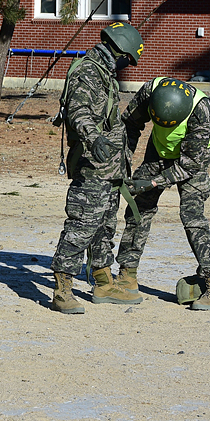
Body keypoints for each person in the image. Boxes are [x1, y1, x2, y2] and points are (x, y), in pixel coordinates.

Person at [50, 21, 145, 313]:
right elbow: (79, 112)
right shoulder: (89, 72)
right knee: (82, 226)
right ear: (118, 50)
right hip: (92, 166)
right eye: (126, 59)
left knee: (104, 227)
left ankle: (103, 283)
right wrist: (94, 139)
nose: (125, 64)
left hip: (109, 168)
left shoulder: (105, 74)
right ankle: (62, 289)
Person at [115, 77, 210, 309]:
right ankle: (127, 275)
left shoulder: (203, 112)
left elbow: (189, 166)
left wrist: (153, 182)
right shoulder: (149, 91)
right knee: (139, 208)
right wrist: (123, 163)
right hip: (159, 151)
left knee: (192, 217)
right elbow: (129, 124)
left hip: (194, 160)